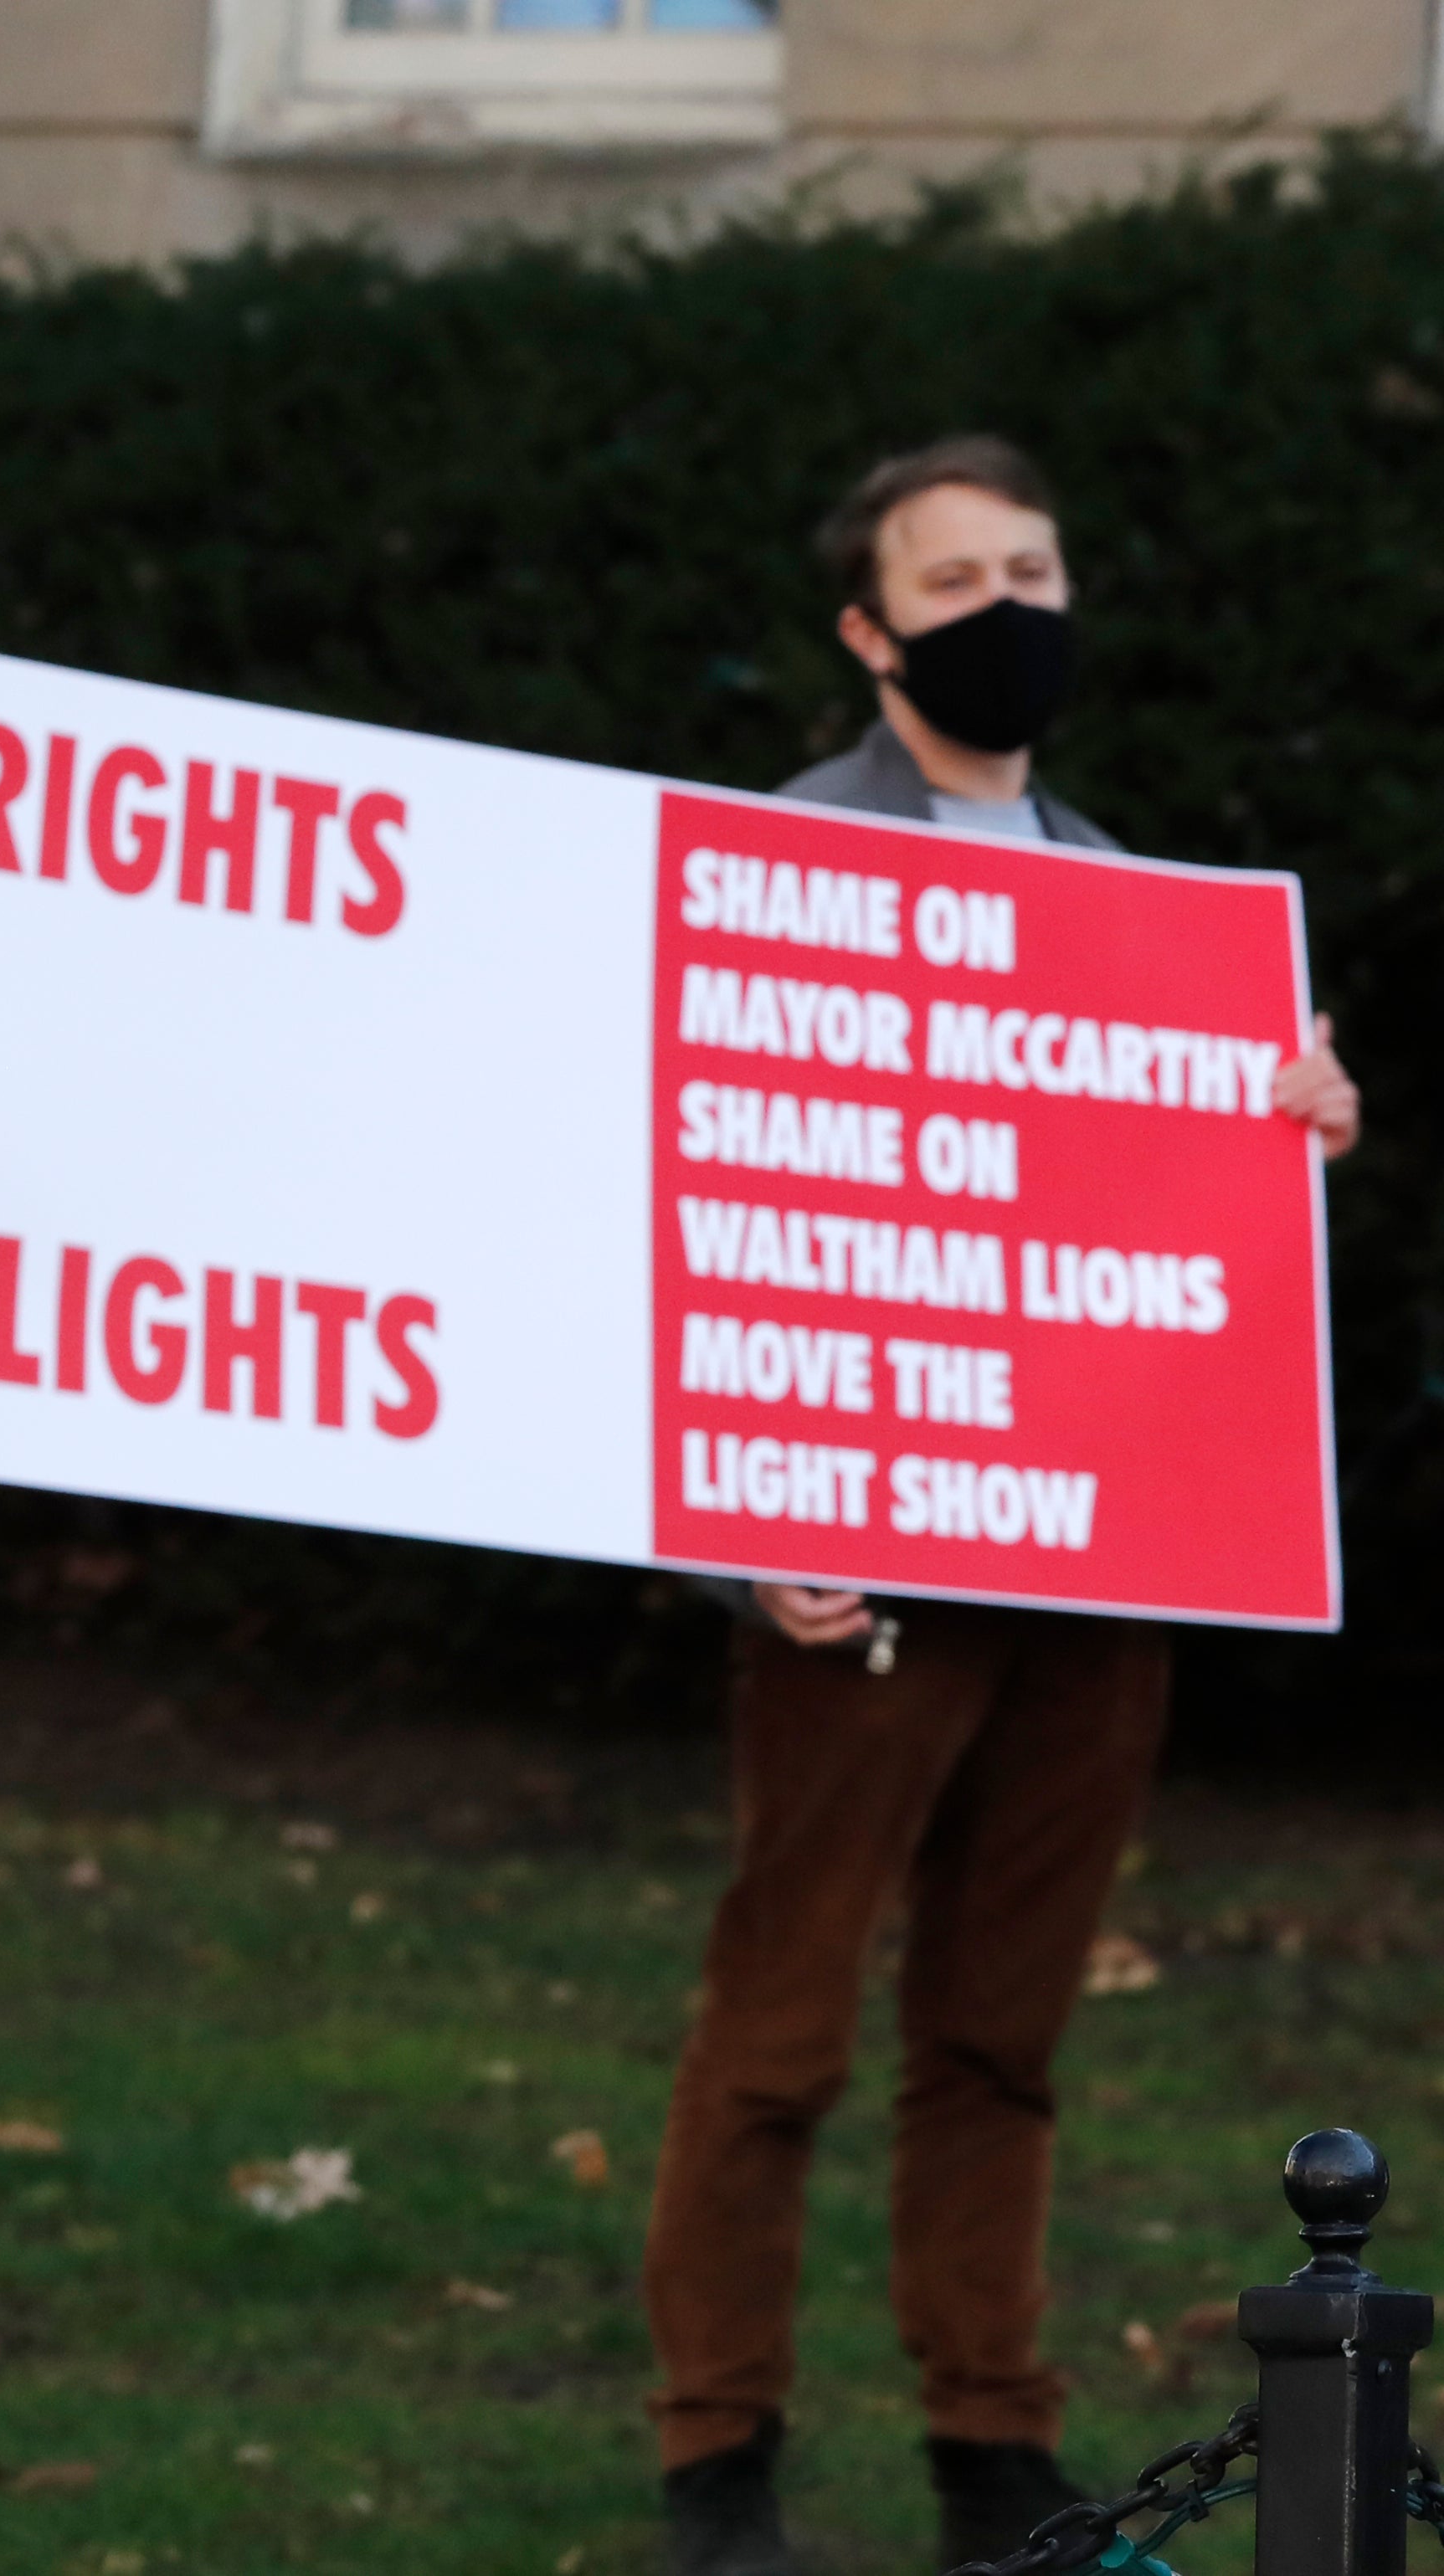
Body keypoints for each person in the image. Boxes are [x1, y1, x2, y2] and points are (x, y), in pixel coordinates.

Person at [643, 434, 1363, 2576]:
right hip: (852, 1568)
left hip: (1094, 1563)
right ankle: (718, 2464)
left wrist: (1285, 1135)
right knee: (780, 2027)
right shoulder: (765, 869)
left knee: (1004, 2030)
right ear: (870, 636)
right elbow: (694, 1211)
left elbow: (1152, 1253)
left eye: (1031, 565)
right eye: (954, 582)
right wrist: (730, 1527)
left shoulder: (1144, 910)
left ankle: (993, 2449)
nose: (1005, 608)